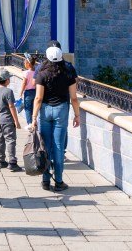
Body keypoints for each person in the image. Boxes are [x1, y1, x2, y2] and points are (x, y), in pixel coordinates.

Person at [31, 46, 81, 192]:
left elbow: (38, 98)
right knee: (58, 146)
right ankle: (59, 181)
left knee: (45, 146)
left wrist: (34, 117)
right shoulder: (68, 74)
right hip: (61, 109)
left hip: (45, 110)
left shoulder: (42, 74)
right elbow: (73, 98)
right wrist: (77, 115)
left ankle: (46, 180)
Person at [0, 69, 22, 172]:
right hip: (7, 120)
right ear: (7, 80)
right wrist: (16, 121)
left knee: (0, 141)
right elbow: (11, 106)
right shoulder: (9, 91)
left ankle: (1, 161)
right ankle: (12, 162)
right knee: (10, 140)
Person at [20, 54, 38, 126]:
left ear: (28, 64)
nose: (24, 64)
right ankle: (34, 121)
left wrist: (21, 92)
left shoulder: (26, 73)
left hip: (28, 92)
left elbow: (24, 83)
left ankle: (29, 123)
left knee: (27, 108)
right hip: (35, 92)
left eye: (25, 63)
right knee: (34, 108)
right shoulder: (36, 72)